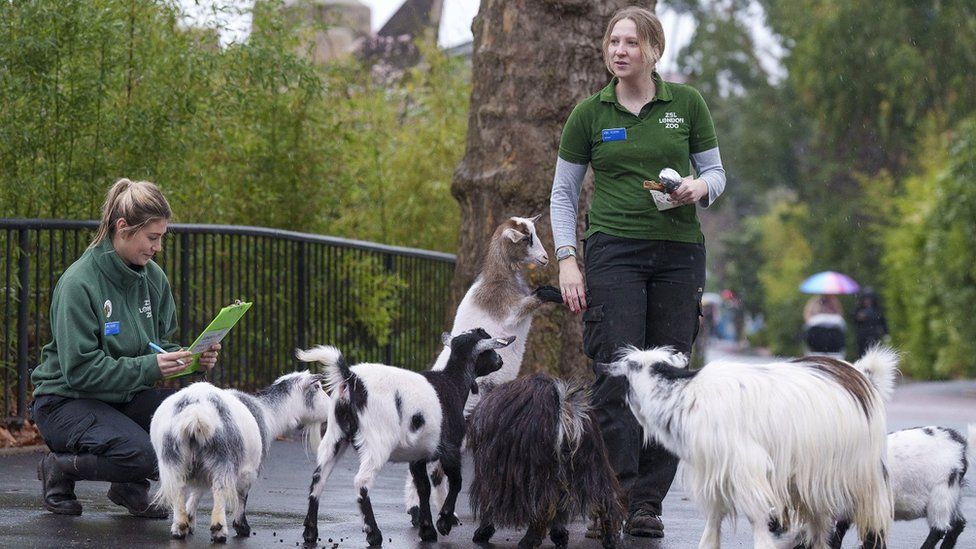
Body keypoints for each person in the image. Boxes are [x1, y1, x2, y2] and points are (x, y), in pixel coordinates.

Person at [549, 6, 726, 539]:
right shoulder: (590, 114)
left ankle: (647, 502)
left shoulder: (687, 104)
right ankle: (612, 494)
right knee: (616, 374)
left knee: (669, 380)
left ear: (654, 50)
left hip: (678, 255)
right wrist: (566, 259)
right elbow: (563, 194)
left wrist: (699, 187)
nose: (619, 51)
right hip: (613, 254)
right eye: (613, 42)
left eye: (631, 43)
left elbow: (717, 173)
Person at [30, 179, 221, 517]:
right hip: (65, 401)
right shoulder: (79, 284)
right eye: (152, 237)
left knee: (197, 417)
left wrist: (193, 359)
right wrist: (151, 367)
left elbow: (159, 347)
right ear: (122, 228)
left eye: (161, 237)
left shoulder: (154, 278)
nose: (158, 247)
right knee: (147, 454)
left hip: (122, 397)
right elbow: (80, 373)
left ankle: (128, 488)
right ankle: (60, 467)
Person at [853, 288, 888, 358]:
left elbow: (882, 322)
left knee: (873, 353)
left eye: (869, 299)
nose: (867, 301)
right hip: (862, 337)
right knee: (862, 355)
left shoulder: (877, 309)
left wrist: (886, 334)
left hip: (874, 336)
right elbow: (855, 319)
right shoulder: (859, 308)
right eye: (865, 299)